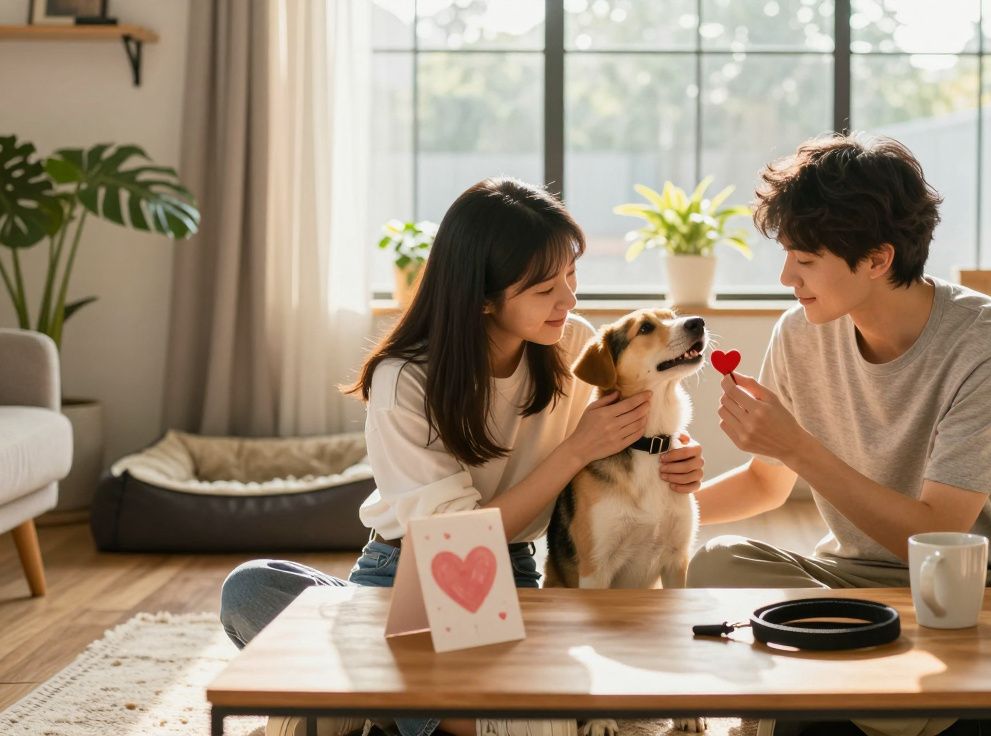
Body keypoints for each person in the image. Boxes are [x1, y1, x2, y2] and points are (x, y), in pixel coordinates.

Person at [684, 135, 991, 736]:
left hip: (985, 586)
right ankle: (969, 686)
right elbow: (766, 485)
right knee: (719, 562)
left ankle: (869, 690)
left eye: (803, 261)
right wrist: (662, 510)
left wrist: (797, 446)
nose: (785, 277)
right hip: (854, 587)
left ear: (878, 259)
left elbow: (936, 532)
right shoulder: (800, 333)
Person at [217, 178, 706, 736]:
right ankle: (407, 701)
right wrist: (574, 451)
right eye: (546, 289)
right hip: (404, 569)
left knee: (537, 716)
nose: (569, 301)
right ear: (482, 295)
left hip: (513, 571)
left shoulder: (572, 346)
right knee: (252, 588)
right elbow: (451, 543)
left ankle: (367, 699)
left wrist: (678, 456)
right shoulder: (404, 378)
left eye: (571, 277)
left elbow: (636, 431)